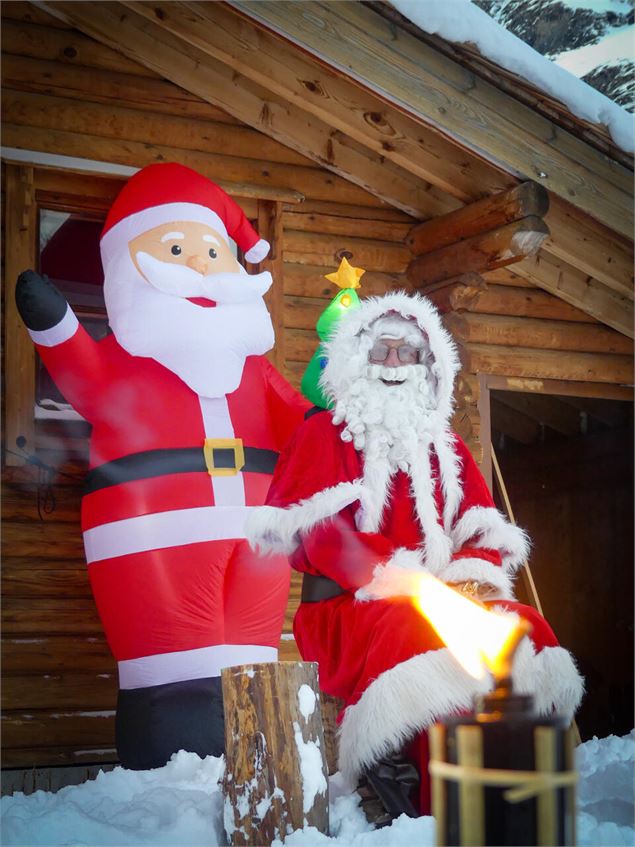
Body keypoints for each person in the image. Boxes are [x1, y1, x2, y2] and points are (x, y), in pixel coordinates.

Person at [15, 162, 309, 769]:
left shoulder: (252, 363)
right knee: (172, 672)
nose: (201, 264)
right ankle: (168, 785)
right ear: (131, 266)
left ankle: (260, 768)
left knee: (252, 661)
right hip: (152, 528)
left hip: (259, 529)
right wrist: (55, 328)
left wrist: (335, 433)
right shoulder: (127, 355)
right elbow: (89, 383)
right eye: (177, 249)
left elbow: (298, 418)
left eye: (211, 250)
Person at [247, 291, 584, 818]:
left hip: (438, 596)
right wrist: (400, 576)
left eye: (407, 353)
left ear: (430, 364)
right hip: (349, 609)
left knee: (520, 624)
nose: (394, 364)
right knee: (418, 629)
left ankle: (511, 782)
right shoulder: (321, 434)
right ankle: (419, 792)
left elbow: (479, 524)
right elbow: (321, 533)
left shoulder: (443, 444)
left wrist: (471, 581)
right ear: (356, 359)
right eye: (381, 351)